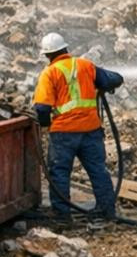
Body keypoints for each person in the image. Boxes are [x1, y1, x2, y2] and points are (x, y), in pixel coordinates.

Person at [32, 32, 124, 218]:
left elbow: (42, 108)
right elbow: (114, 79)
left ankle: (62, 216)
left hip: (63, 133)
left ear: (48, 55)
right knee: (98, 170)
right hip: (91, 130)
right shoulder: (85, 65)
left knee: (59, 173)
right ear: (66, 48)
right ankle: (107, 211)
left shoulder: (49, 73)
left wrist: (44, 124)